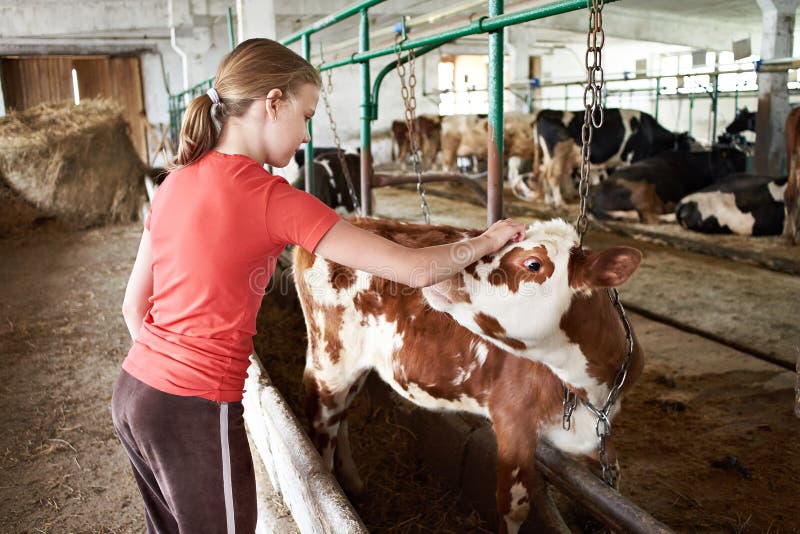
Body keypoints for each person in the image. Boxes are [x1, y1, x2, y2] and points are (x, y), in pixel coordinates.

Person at [112, 38, 526, 534]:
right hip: (193, 408)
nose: (308, 134)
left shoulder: (174, 182)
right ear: (273, 102)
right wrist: (487, 241)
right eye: (306, 115)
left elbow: (133, 308)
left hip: (134, 394)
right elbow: (414, 270)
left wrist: (162, 380)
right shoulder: (272, 199)